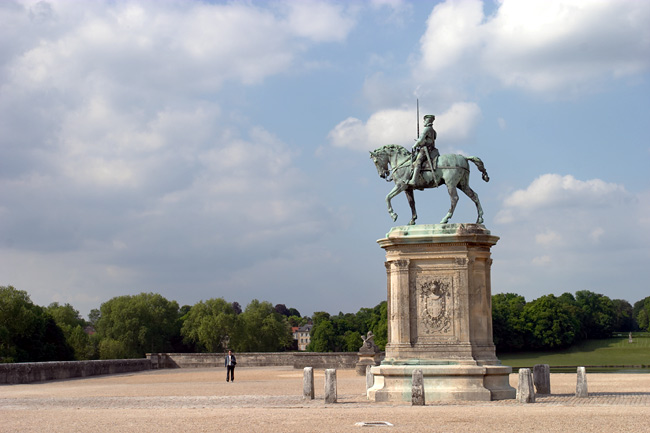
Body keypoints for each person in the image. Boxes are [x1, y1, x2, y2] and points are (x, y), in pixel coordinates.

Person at [407, 114, 439, 186]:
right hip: (432, 149)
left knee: (418, 162)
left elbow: (421, 140)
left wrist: (414, 145)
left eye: (424, 120)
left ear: (427, 121)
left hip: (425, 150)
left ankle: (414, 180)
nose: (423, 122)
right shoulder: (433, 130)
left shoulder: (426, 129)